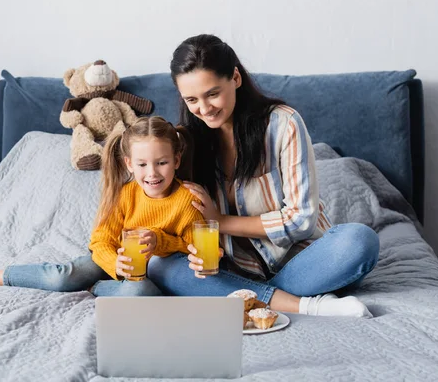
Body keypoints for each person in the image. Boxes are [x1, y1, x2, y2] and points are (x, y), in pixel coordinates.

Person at [147, 34, 380, 317]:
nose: (204, 109)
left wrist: (220, 222)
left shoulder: (283, 124)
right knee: (160, 266)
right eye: (192, 99)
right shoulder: (186, 142)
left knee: (359, 241)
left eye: (212, 93)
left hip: (301, 265)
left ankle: (247, 297)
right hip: (231, 268)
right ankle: (303, 305)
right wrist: (196, 250)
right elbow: (173, 215)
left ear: (235, 77)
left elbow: (301, 220)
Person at [0, 116, 203, 297]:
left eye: (162, 162)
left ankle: (96, 288)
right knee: (63, 276)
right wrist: (115, 264)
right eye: (143, 164)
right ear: (129, 164)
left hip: (153, 272)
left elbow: (194, 245)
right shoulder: (126, 194)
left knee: (143, 292)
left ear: (176, 160)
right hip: (113, 260)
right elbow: (101, 241)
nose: (152, 173)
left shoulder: (186, 199)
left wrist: (161, 242)